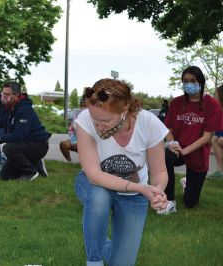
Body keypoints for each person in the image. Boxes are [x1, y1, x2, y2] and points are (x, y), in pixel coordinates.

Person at [74, 78, 168, 265]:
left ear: (124, 110)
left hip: (134, 196)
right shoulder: (85, 120)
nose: (99, 126)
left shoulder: (149, 123)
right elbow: (94, 175)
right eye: (95, 120)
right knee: (99, 197)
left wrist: (157, 191)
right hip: (95, 185)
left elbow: (160, 171)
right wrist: (141, 188)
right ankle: (94, 260)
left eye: (106, 120)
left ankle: (99, 238)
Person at [158, 66, 223, 215]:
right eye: (185, 81)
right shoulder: (176, 103)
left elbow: (207, 136)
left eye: (192, 81)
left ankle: (187, 182)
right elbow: (168, 129)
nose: (189, 84)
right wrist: (173, 144)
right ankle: (169, 201)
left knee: (190, 203)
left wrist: (185, 150)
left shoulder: (212, 104)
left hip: (197, 154)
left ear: (200, 82)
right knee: (165, 155)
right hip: (177, 149)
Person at [0, 81, 51, 181]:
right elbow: (2, 120)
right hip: (23, 145)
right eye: (3, 94)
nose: (3, 97)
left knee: (8, 148)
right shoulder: (9, 107)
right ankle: (35, 163)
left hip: (38, 145)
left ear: (16, 95)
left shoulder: (24, 109)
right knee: (5, 175)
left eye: (6, 94)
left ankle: (31, 172)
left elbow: (19, 136)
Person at [59, 94, 88, 161]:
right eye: (82, 105)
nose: (83, 108)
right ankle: (70, 162)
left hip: (89, 144)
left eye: (85, 106)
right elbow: (71, 131)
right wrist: (74, 141)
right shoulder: (77, 116)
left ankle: (87, 163)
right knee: (63, 144)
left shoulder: (93, 117)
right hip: (76, 141)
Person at [209, 84, 223, 178]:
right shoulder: (218, 109)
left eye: (216, 95)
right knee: (214, 138)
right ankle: (220, 171)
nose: (215, 96)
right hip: (219, 137)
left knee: (215, 139)